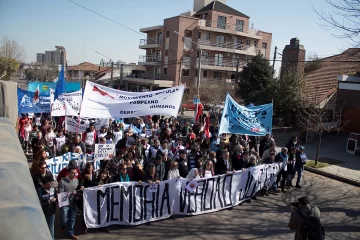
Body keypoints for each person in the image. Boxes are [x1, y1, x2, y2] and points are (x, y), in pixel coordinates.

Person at [58, 167, 80, 239]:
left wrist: (77, 193)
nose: (74, 175)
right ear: (68, 173)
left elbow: (77, 190)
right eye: (73, 173)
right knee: (65, 218)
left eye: (75, 173)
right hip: (65, 204)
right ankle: (63, 225)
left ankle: (71, 233)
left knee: (73, 218)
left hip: (73, 203)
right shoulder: (62, 182)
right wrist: (69, 194)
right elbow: (60, 194)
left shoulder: (76, 180)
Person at [36, 176, 57, 240]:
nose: (50, 185)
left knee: (51, 229)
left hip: (51, 213)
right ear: (43, 184)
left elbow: (56, 198)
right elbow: (38, 204)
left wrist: (56, 199)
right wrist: (49, 201)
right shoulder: (39, 191)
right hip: (42, 214)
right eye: (48, 184)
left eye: (51, 183)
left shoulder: (53, 189)